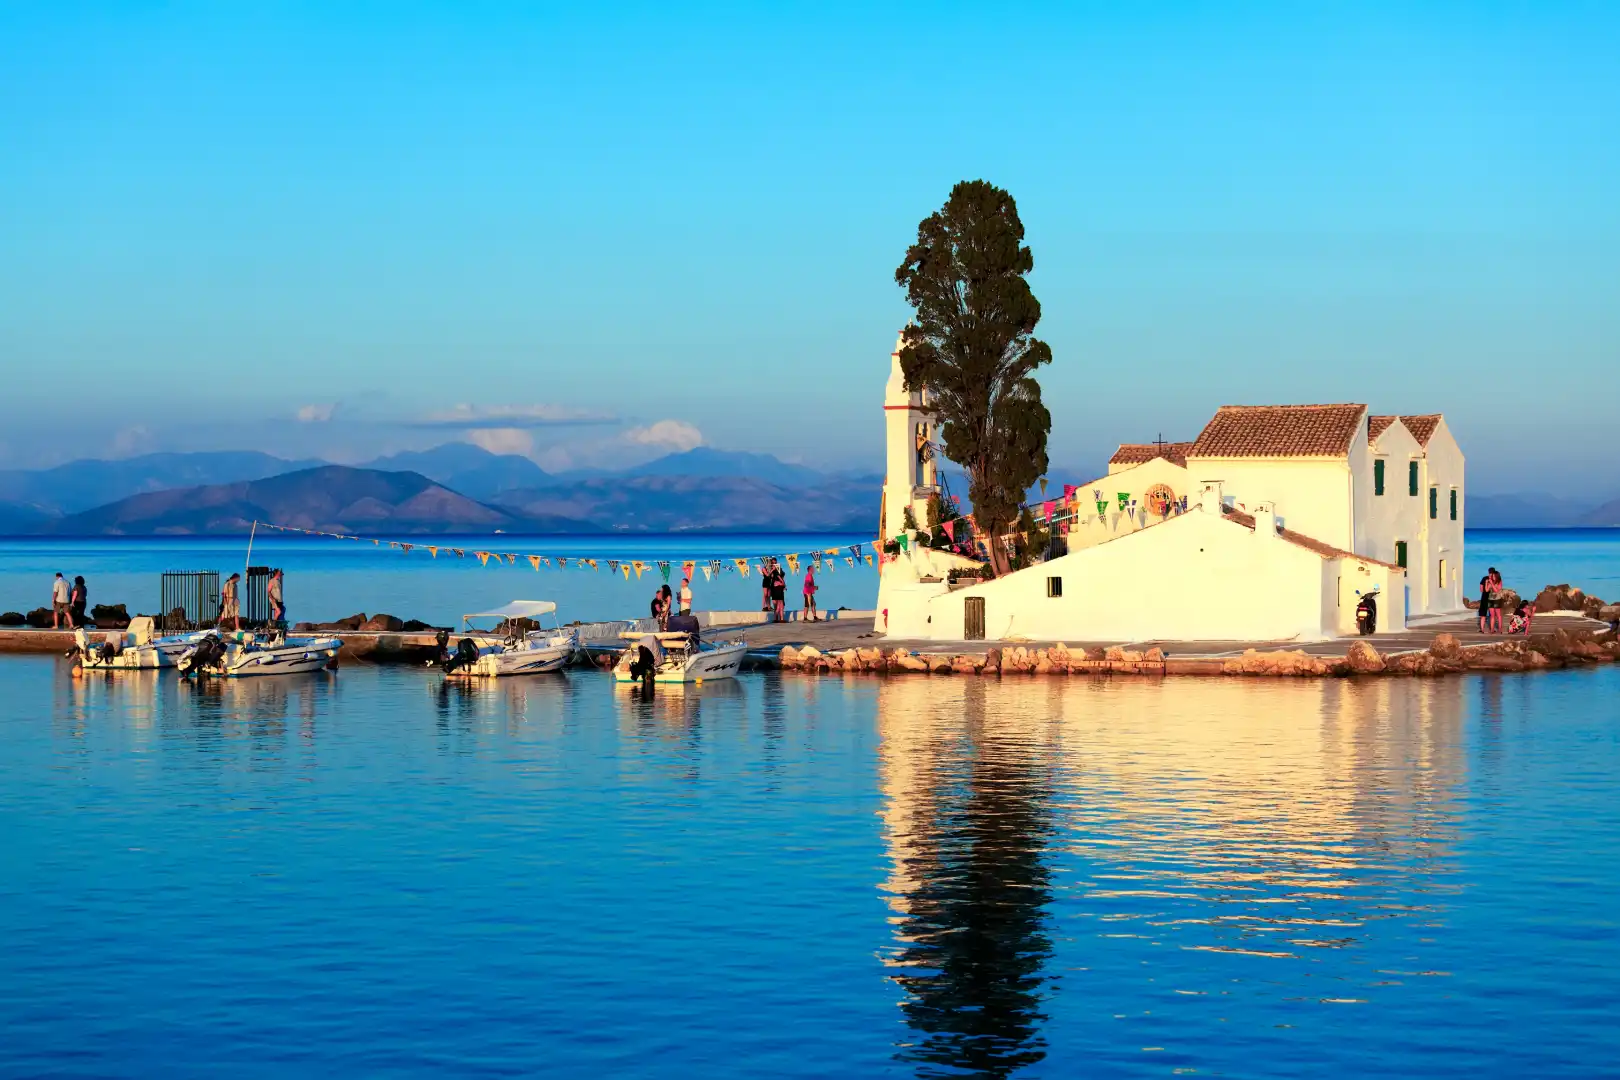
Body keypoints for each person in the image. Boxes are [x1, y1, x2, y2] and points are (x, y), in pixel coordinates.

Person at [1487, 567, 1505, 634]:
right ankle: (1492, 629)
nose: (1493, 577)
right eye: (1492, 576)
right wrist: (1488, 583)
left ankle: (1500, 628)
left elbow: (1497, 590)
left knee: (1498, 615)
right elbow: (1487, 590)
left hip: (1497, 599)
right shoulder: (1491, 581)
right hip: (1490, 599)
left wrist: (1492, 584)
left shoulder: (1499, 582)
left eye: (1494, 576)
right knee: (1492, 615)